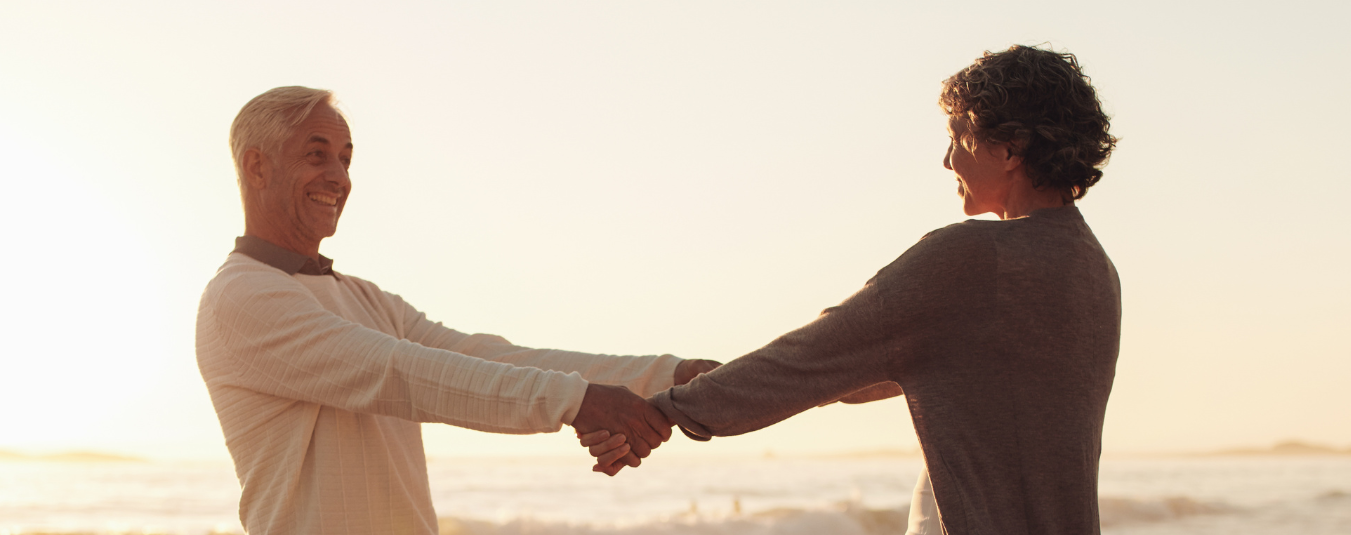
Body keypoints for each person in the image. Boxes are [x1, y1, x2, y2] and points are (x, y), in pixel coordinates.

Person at [582, 45, 1122, 535]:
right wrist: (735, 381)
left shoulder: (972, 258)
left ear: (1010, 149)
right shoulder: (1095, 271)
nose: (947, 160)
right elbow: (858, 373)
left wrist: (663, 411)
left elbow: (812, 360)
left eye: (958, 138)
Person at [195, 86, 720, 534]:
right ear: (257, 166)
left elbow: (490, 356)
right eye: (317, 155)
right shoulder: (241, 297)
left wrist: (668, 376)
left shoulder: (365, 298)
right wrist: (577, 402)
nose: (339, 176)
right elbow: (402, 374)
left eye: (346, 158)